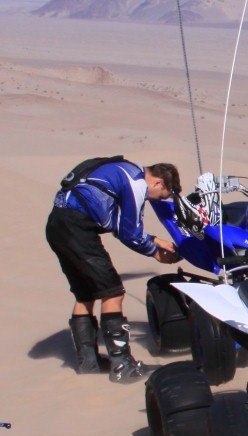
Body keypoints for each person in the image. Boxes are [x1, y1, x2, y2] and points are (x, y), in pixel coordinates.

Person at [47, 157, 181, 382]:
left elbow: (119, 225)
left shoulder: (125, 168)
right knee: (113, 292)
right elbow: (129, 234)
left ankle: (88, 363)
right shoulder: (136, 183)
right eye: (161, 196)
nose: (156, 200)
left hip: (57, 225)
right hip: (78, 230)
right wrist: (155, 253)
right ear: (158, 182)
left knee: (85, 294)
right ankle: (122, 365)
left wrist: (155, 240)